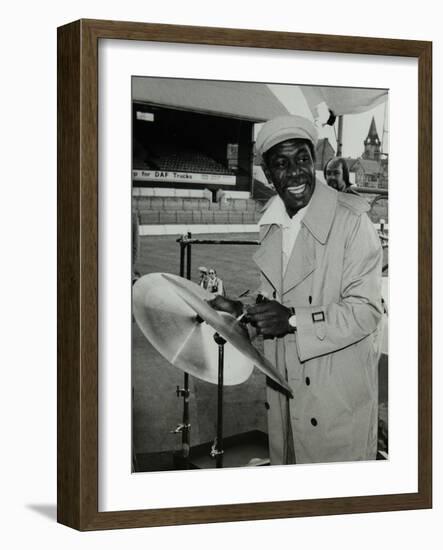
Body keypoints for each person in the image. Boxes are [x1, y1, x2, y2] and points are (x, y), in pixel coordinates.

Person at [210, 115, 383, 465]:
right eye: (281, 164)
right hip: (285, 397)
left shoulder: (352, 221)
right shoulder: (272, 224)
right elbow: (278, 304)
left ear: (314, 161)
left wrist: (291, 321)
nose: (294, 173)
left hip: (335, 402)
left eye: (302, 159)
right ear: (267, 174)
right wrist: (242, 311)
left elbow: (366, 311)